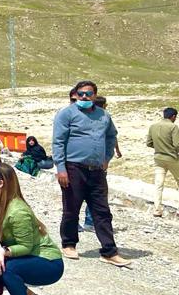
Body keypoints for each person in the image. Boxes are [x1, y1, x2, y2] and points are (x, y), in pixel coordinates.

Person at [52, 80, 131, 267]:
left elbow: (112, 135)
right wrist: (61, 168)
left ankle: (109, 251)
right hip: (73, 168)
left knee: (102, 211)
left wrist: (107, 157)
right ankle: (69, 243)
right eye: (81, 94)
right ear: (76, 95)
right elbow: (58, 142)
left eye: (88, 94)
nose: (84, 97)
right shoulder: (66, 114)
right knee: (71, 208)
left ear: (95, 95)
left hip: (96, 170)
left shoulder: (104, 115)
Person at [0, 163, 64, 295]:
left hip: (49, 262)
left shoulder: (17, 211)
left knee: (7, 268)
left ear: (1, 183)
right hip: (31, 257)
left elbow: (26, 246)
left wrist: (2, 251)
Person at [147, 107, 179, 218]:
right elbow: (177, 145)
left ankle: (157, 210)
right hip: (171, 158)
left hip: (158, 158)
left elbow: (149, 143)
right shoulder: (173, 127)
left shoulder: (153, 126)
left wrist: (160, 147)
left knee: (158, 184)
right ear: (173, 116)